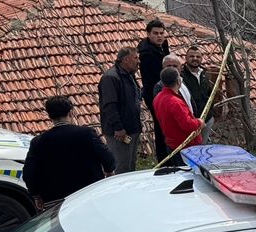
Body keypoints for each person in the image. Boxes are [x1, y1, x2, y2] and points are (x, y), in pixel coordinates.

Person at [23, 96, 116, 208]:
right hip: (88, 194)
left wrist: (37, 195)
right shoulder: (87, 134)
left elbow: (29, 173)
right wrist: (109, 171)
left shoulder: (38, 142)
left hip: (55, 202)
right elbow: (107, 158)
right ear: (71, 113)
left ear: (49, 116)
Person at [99, 46, 143, 174]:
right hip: (119, 133)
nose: (138, 61)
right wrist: (118, 127)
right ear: (126, 60)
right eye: (135, 58)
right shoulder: (111, 78)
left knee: (130, 167)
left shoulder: (129, 75)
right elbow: (110, 105)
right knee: (121, 168)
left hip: (133, 128)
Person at [138, 19, 171, 161]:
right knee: (161, 129)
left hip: (163, 92)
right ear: (148, 34)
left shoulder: (162, 46)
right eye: (155, 33)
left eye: (161, 33)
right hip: (155, 95)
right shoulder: (147, 54)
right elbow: (153, 79)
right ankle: (164, 160)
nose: (159, 36)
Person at [154, 67, 204, 153]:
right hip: (185, 146)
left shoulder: (158, 98)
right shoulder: (175, 102)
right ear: (178, 81)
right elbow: (188, 125)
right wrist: (199, 122)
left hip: (172, 144)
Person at [181, 46, 217, 140]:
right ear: (186, 58)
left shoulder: (204, 74)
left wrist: (211, 114)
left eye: (198, 57)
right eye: (191, 56)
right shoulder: (181, 76)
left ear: (201, 58)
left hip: (207, 119)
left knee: (202, 148)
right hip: (191, 121)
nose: (195, 59)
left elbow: (209, 94)